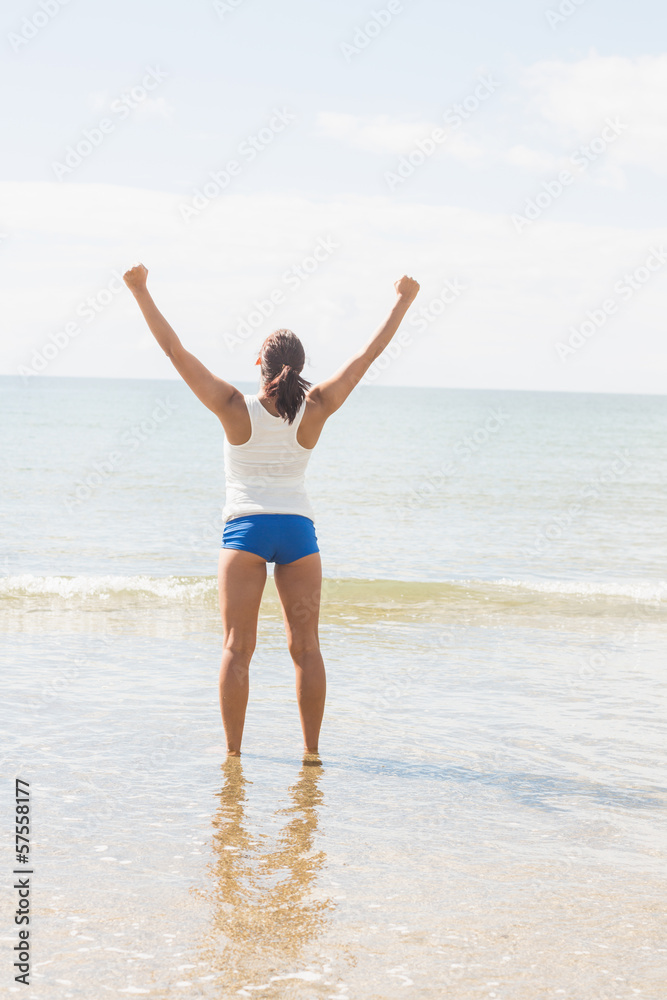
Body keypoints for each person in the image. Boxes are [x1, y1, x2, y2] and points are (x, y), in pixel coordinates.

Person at [123, 264, 420, 757]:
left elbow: (175, 351)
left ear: (259, 360)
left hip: (245, 533)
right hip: (299, 534)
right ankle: (310, 755)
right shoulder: (318, 404)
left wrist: (140, 290)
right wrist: (403, 303)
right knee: (306, 648)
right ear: (301, 368)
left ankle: (234, 756)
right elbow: (367, 356)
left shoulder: (232, 406)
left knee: (238, 648)